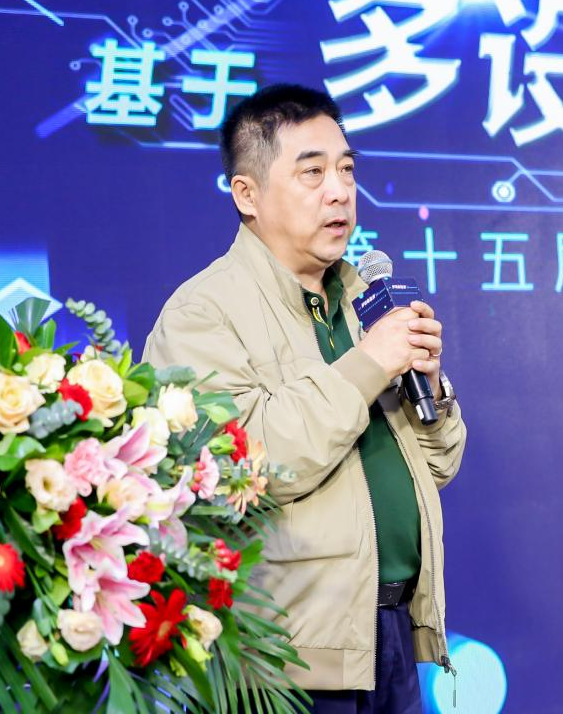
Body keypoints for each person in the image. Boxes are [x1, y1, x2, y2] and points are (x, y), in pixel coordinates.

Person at [143, 84, 466, 713]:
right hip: (285, 656)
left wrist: (429, 388)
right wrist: (369, 364)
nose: (339, 191)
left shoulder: (365, 299)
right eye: (312, 172)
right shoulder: (201, 312)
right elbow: (243, 467)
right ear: (247, 195)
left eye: (346, 169)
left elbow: (439, 466)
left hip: (390, 633)